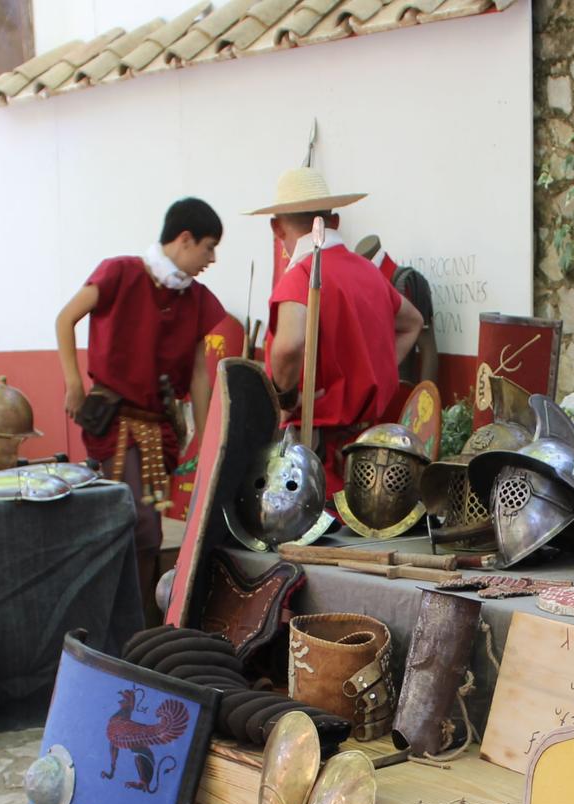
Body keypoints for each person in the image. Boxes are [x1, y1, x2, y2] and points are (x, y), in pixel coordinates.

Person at [55, 197, 228, 533]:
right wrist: (74, 384)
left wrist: (207, 442)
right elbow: (65, 319)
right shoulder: (120, 272)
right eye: (209, 248)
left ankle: (144, 588)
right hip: (114, 421)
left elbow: (197, 374)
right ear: (185, 239)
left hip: (159, 427)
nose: (213, 258)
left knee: (150, 531)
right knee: (138, 525)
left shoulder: (196, 299)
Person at [253, 168, 422, 490]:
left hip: (314, 458)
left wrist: (284, 395)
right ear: (335, 221)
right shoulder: (368, 273)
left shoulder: (301, 275)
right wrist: (375, 370)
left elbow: (289, 345)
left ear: (276, 227)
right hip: (369, 454)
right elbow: (412, 323)